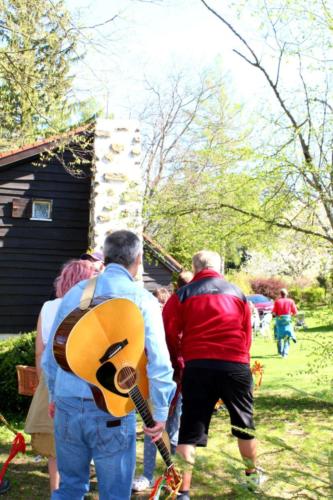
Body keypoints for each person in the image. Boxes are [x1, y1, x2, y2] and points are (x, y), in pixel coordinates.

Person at [42, 230, 176, 500]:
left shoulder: (77, 293)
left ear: (107, 256)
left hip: (68, 404)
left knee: (69, 487)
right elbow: (160, 363)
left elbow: (52, 355)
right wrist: (160, 412)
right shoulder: (143, 300)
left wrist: (56, 395)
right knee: (114, 494)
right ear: (138, 259)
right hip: (112, 411)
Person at [163, 251, 262, 499]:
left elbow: (169, 333)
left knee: (189, 432)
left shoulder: (182, 294)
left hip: (198, 365)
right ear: (219, 268)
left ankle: (182, 492)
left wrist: (177, 363)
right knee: (244, 425)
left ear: (195, 269)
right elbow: (246, 333)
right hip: (235, 364)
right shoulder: (237, 293)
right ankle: (252, 477)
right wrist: (242, 358)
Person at [24, 259, 98, 493]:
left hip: (51, 380)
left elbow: (40, 351)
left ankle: (57, 491)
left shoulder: (48, 307)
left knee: (55, 444)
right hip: (84, 380)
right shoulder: (92, 307)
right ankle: (78, 489)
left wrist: (43, 380)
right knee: (83, 441)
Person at [132, 271, 193, 493]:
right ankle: (150, 475)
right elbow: (161, 344)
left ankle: (173, 474)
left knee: (172, 428)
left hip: (181, 374)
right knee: (155, 426)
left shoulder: (191, 305)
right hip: (164, 374)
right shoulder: (172, 306)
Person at [272, 288, 298, 358]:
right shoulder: (291, 301)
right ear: (287, 294)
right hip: (287, 321)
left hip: (279, 321)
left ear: (280, 294)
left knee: (278, 336)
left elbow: (274, 314)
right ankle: (285, 354)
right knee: (287, 337)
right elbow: (295, 313)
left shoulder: (277, 301)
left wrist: (275, 315)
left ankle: (280, 352)